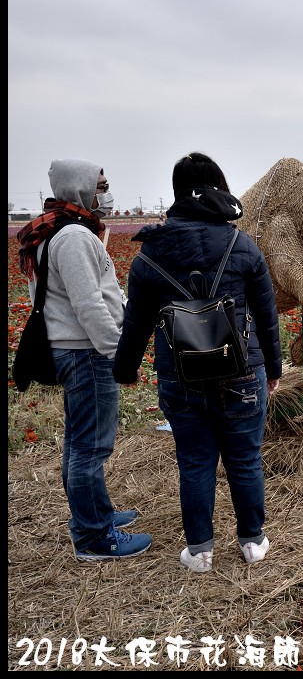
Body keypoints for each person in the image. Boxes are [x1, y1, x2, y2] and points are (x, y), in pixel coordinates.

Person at [113, 152, 283, 573]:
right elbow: (266, 315)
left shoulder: (151, 252)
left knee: (194, 462)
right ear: (219, 188)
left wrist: (125, 368)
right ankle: (252, 541)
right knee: (245, 458)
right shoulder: (242, 244)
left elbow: (135, 322)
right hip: (243, 371)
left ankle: (200, 551)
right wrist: (274, 370)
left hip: (180, 375)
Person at [16, 159, 152, 561]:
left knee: (80, 443)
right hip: (85, 350)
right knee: (90, 447)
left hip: (73, 348)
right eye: (101, 185)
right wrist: (118, 354)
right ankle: (95, 537)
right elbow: (90, 304)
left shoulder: (52, 229)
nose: (105, 193)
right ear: (79, 188)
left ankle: (98, 513)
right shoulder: (74, 235)